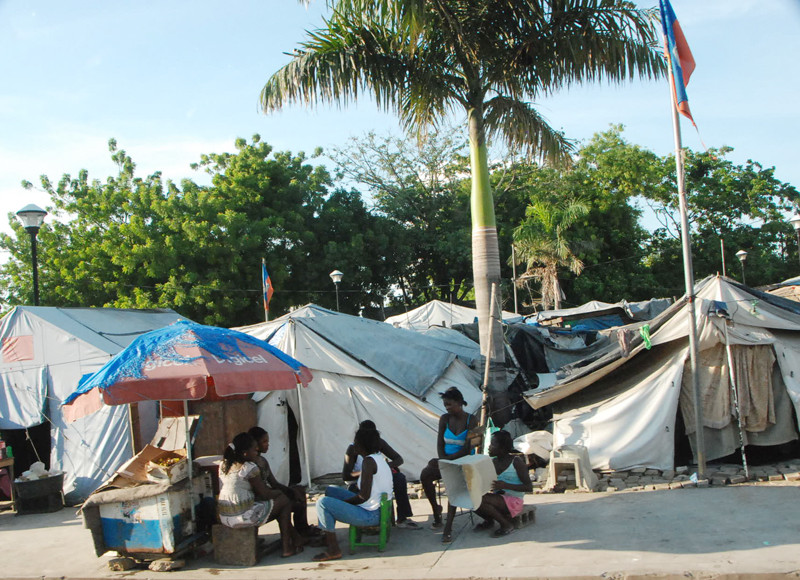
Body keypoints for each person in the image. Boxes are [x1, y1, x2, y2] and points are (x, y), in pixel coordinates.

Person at [312, 426, 394, 562]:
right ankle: (326, 533)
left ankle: (333, 549)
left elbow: (363, 497)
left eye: (356, 442)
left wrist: (342, 505)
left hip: (370, 515)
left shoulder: (368, 462)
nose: (354, 444)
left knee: (323, 503)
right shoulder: (377, 458)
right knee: (330, 490)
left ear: (363, 444)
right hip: (375, 508)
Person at [217, 432, 305, 558]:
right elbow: (265, 493)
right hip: (241, 517)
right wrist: (280, 492)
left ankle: (295, 538)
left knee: (278, 504)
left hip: (225, 516)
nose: (256, 451)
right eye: (254, 449)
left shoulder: (223, 464)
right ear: (245, 453)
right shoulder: (249, 468)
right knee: (283, 502)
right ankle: (287, 547)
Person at [419, 386, 479, 532]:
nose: (447, 408)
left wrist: (448, 460)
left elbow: (468, 448)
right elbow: (440, 443)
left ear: (459, 402)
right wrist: (443, 460)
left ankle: (448, 527)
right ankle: (436, 510)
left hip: (464, 462)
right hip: (447, 460)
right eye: (445, 405)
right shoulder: (444, 419)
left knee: (452, 485)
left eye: (449, 404)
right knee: (425, 475)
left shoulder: (472, 420)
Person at [342, 420, 420, 529]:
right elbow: (346, 476)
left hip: (377, 478)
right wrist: (366, 472)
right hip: (359, 481)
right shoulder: (354, 448)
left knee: (400, 478)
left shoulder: (378, 443)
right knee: (358, 493)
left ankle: (403, 517)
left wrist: (383, 467)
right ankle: (367, 519)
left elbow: (398, 459)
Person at [248, 426, 319, 537]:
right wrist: (283, 494)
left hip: (268, 493)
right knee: (288, 500)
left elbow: (274, 483)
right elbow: (261, 492)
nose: (268, 444)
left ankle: (303, 528)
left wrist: (291, 491)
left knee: (299, 490)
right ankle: (296, 536)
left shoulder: (263, 461)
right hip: (260, 500)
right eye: (264, 442)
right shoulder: (251, 466)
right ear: (255, 445)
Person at [473, 429, 533, 537]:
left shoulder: (516, 462)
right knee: (470, 497)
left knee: (481, 499)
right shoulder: (493, 462)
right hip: (499, 498)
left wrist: (505, 485)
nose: (489, 447)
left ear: (502, 447)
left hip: (514, 501)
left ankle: (506, 525)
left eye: (493, 444)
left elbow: (529, 487)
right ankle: (489, 520)